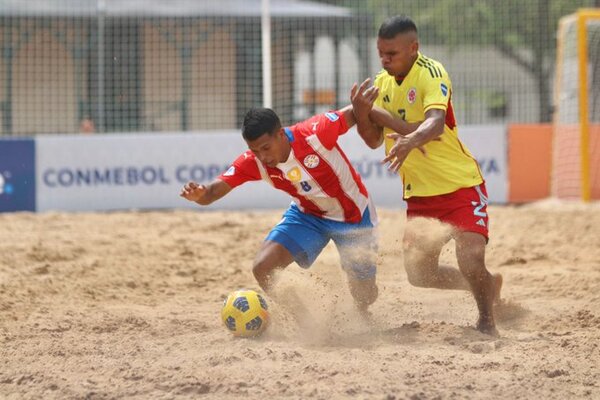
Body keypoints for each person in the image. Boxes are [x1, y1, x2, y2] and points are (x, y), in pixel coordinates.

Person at [350, 15, 502, 334]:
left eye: (391, 53)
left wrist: (409, 139)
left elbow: (434, 123)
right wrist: (365, 115)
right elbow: (373, 139)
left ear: (413, 48)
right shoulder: (382, 84)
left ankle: (487, 321)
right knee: (420, 276)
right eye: (381, 52)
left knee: (471, 259)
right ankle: (486, 285)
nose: (384, 59)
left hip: (460, 185)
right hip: (420, 196)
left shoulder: (432, 71)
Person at [180, 107, 379, 316]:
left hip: (353, 215)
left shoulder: (315, 132)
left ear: (281, 134)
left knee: (365, 294)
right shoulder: (254, 162)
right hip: (309, 215)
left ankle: (362, 309)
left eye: (266, 148)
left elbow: (359, 110)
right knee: (263, 268)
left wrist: (404, 132)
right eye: (255, 150)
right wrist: (200, 195)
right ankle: (306, 323)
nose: (262, 157)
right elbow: (211, 193)